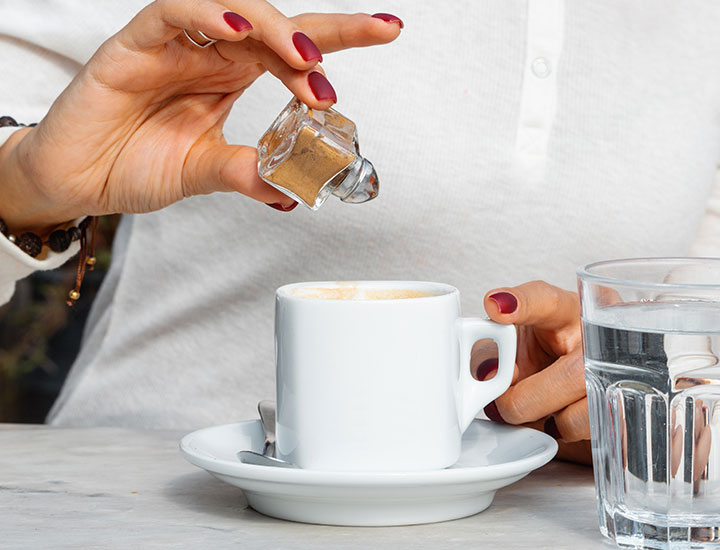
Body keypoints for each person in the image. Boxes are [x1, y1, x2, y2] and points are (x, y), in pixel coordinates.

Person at [1, 0, 719, 465]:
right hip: (152, 500)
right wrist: (27, 184)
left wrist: (632, 409)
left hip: (534, 522)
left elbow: (698, 352)